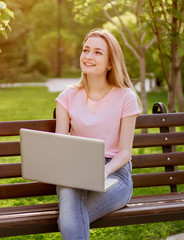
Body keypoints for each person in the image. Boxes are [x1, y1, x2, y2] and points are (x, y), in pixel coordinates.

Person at [54, 28, 142, 239]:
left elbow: (124, 153)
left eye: (98, 52)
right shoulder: (66, 98)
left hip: (115, 174)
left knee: (68, 219)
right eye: (86, 50)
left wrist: (104, 171)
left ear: (111, 63)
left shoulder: (126, 98)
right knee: (71, 215)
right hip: (74, 172)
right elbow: (59, 145)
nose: (89, 56)